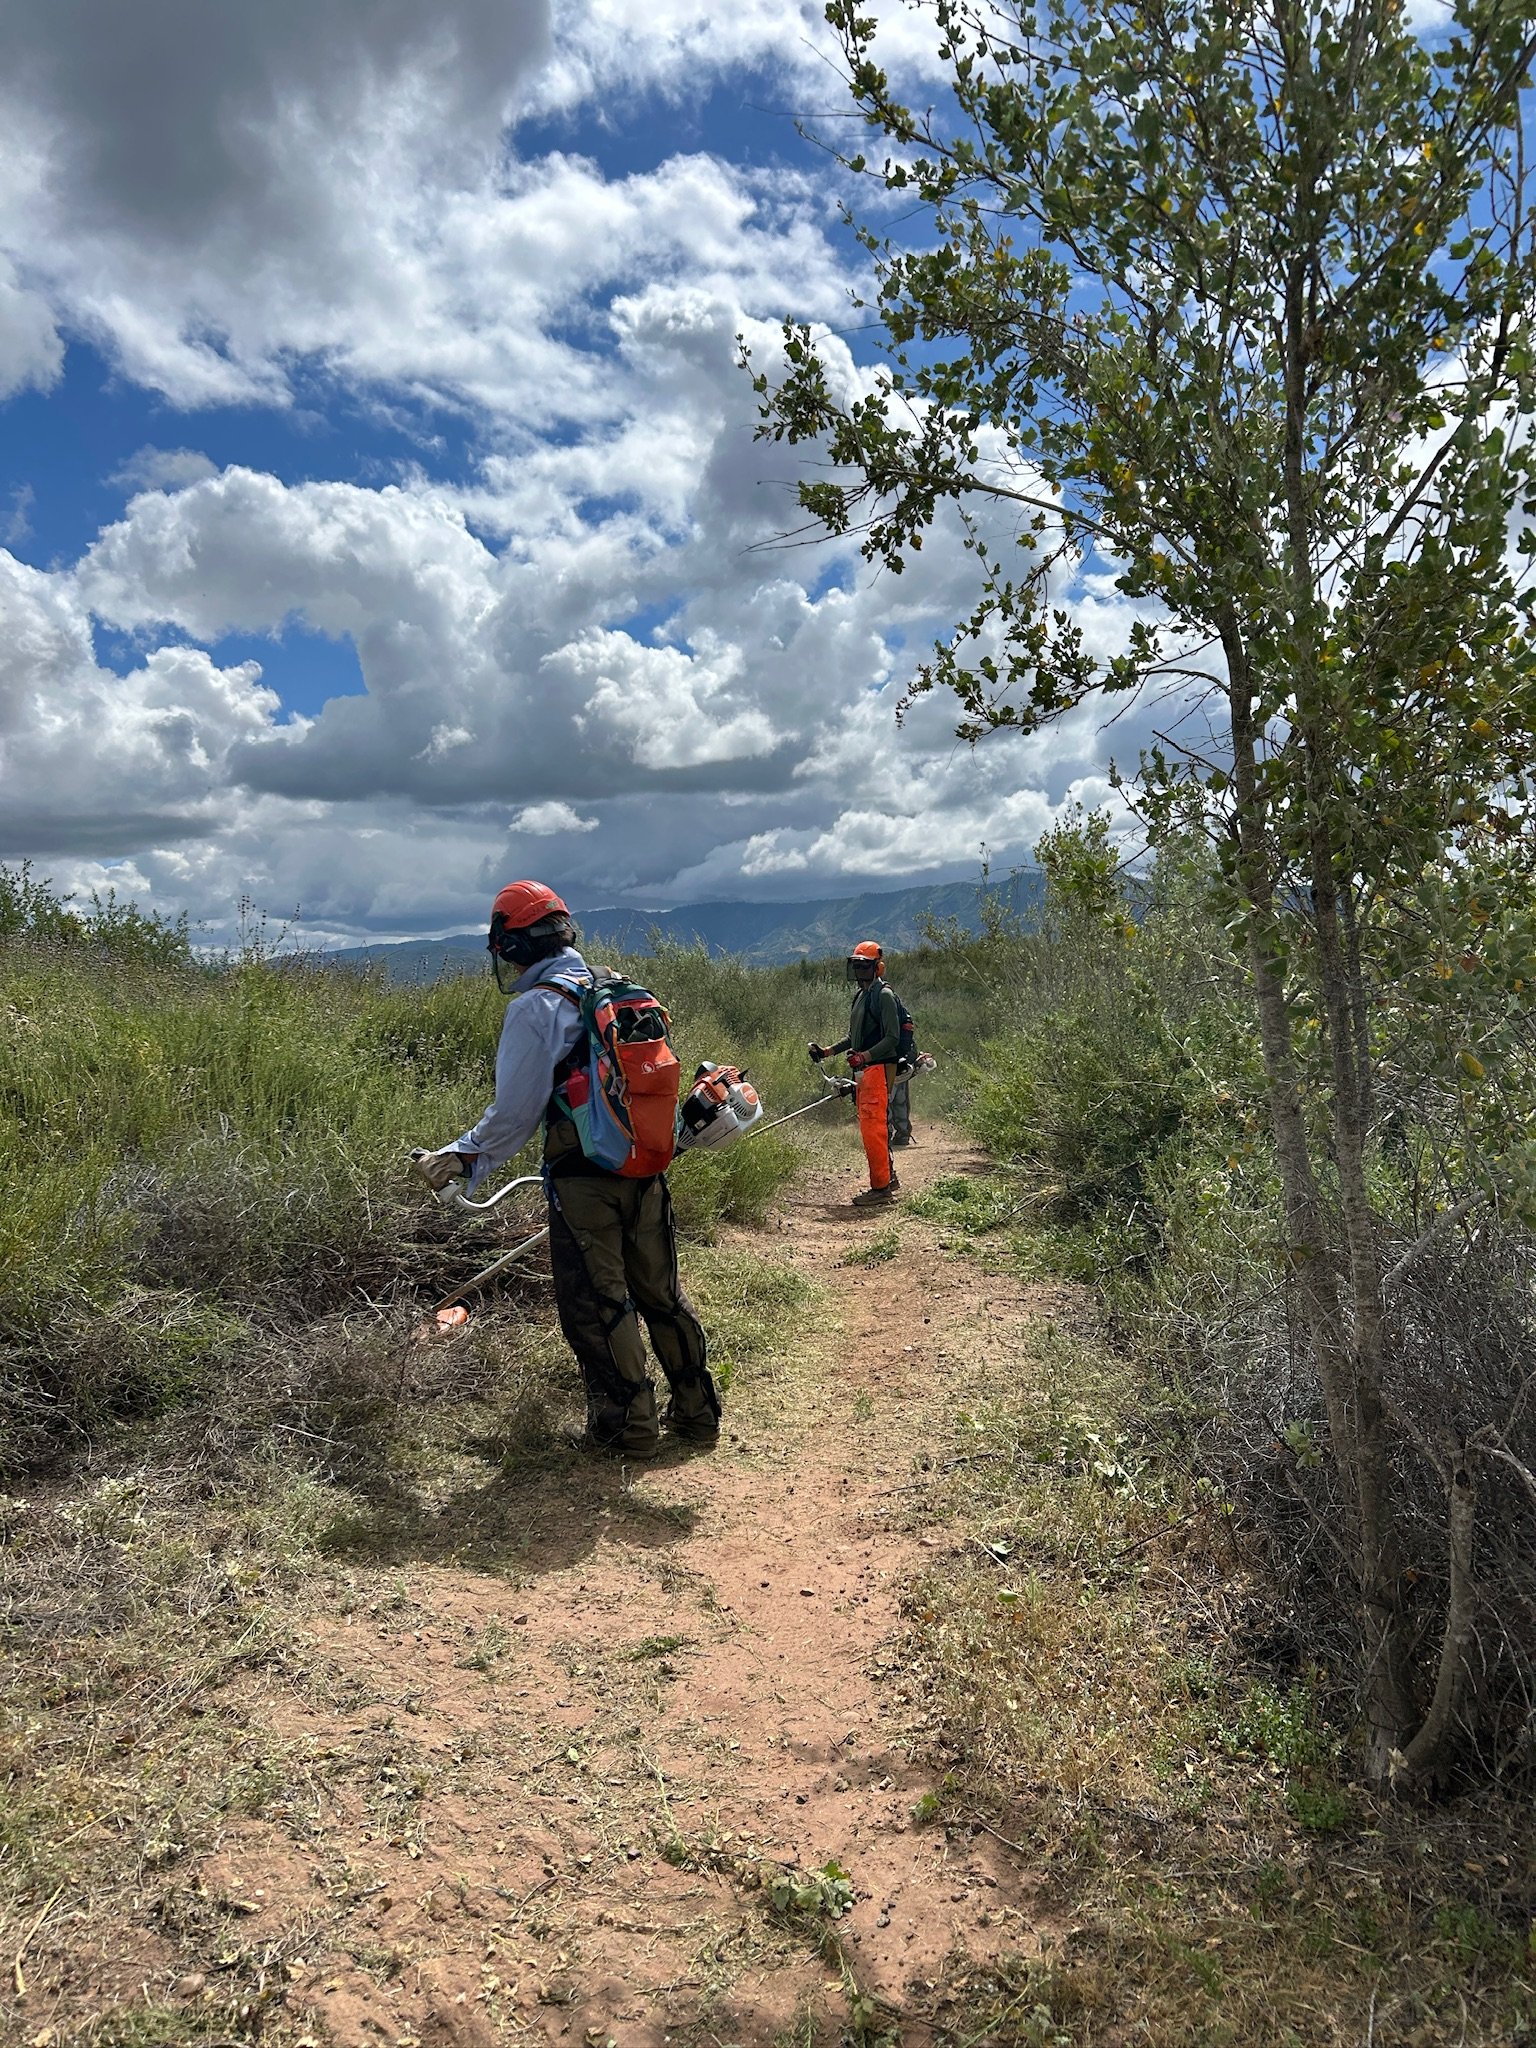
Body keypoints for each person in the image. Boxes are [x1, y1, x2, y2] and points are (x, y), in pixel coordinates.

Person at [412, 881, 721, 1460]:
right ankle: (698, 1414)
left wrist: (463, 1154)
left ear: (516, 946)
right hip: (645, 1166)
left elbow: (514, 1114)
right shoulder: (616, 990)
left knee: (599, 1303)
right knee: (661, 1294)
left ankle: (626, 1428)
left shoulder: (536, 1008)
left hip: (583, 1180)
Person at [808, 939, 902, 1207]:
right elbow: (855, 1037)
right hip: (865, 1069)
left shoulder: (884, 995)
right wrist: (827, 1052)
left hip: (878, 1069)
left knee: (873, 1129)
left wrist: (866, 1056)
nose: (860, 972)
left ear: (878, 967)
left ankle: (881, 1188)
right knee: (873, 1126)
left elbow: (893, 1038)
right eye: (857, 966)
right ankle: (888, 1178)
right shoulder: (862, 996)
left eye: (865, 966)